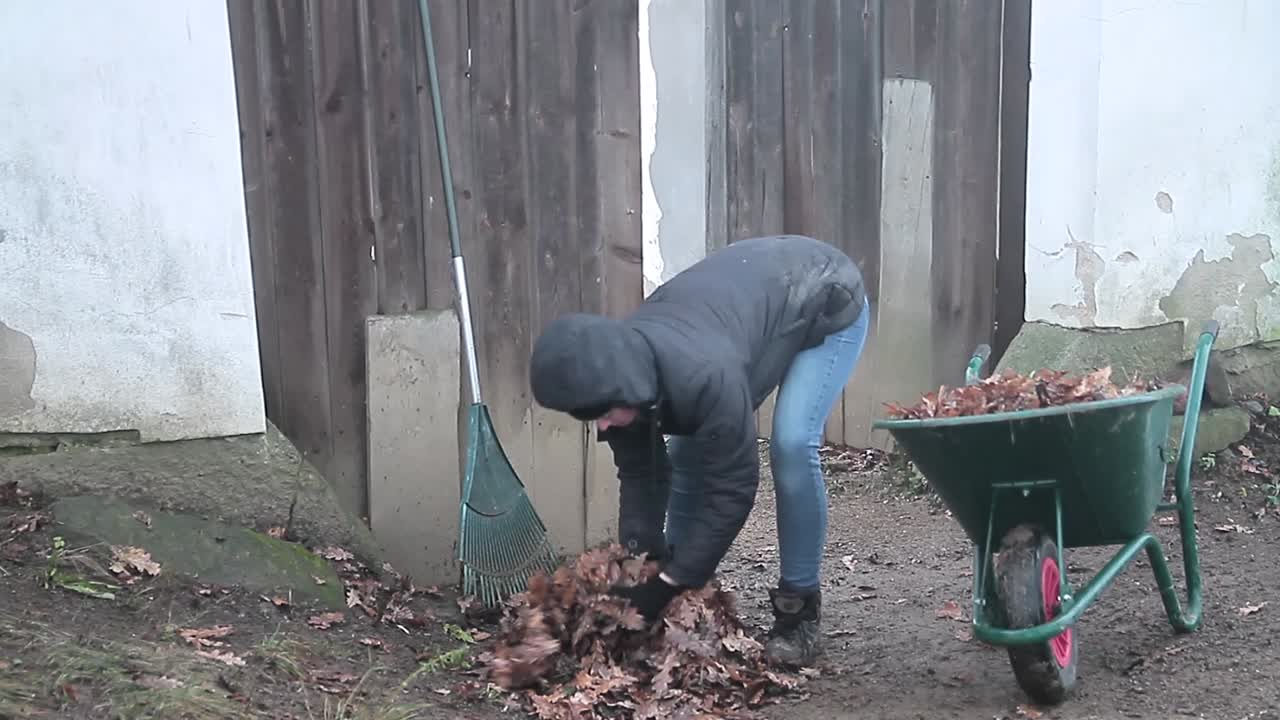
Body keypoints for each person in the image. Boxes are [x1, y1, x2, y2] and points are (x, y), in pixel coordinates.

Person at [528, 234, 869, 667]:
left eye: (602, 412)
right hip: (746, 306)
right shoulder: (618, 370)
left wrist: (669, 580)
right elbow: (641, 476)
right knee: (688, 453)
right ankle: (688, 596)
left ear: (626, 388)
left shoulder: (703, 377)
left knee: (791, 442)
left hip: (823, 293)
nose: (601, 425)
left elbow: (733, 490)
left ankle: (797, 612)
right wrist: (644, 564)